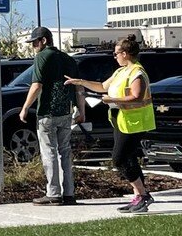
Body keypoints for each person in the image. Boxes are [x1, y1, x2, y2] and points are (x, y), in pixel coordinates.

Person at [66, 34, 156, 213]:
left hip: (135, 121)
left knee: (119, 158)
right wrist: (80, 82)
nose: (114, 57)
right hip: (121, 120)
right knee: (128, 158)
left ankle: (143, 194)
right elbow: (102, 86)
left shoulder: (137, 72)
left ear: (126, 53)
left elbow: (137, 96)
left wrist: (112, 99)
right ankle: (139, 196)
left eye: (116, 53)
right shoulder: (121, 71)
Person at [17, 26, 80, 205]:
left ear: (44, 41)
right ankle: (69, 193)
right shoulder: (68, 59)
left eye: (35, 42)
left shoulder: (41, 57)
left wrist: (24, 108)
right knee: (65, 152)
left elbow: (36, 85)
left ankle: (53, 193)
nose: (33, 46)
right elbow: (78, 87)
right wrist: (80, 110)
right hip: (66, 112)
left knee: (49, 152)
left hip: (47, 112)